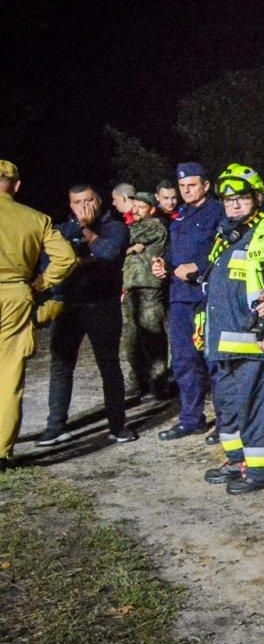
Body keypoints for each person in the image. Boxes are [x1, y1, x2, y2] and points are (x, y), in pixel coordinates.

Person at [199, 164, 264, 493]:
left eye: (241, 199)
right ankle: (239, 459)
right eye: (228, 201)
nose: (235, 206)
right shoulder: (227, 233)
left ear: (256, 198)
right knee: (228, 403)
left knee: (260, 407)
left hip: (258, 342)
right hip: (226, 341)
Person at [40, 184, 134, 445]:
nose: (84, 207)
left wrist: (85, 232)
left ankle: (118, 426)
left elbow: (110, 253)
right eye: (78, 202)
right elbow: (50, 266)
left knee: (109, 366)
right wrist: (83, 259)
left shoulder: (115, 228)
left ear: (99, 200)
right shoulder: (59, 231)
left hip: (102, 305)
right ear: (70, 205)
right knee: (60, 365)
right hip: (67, 305)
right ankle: (55, 426)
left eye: (89, 201)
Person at [0, 160, 75, 469]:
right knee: (8, 377)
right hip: (15, 296)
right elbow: (66, 258)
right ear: (16, 186)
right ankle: (1, 453)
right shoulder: (36, 219)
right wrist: (38, 284)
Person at [154, 162, 224, 440]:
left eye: (191, 185)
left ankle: (225, 423)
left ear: (206, 185)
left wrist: (200, 266)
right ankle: (191, 418)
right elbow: (175, 252)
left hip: (206, 296)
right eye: (181, 186)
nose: (185, 190)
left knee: (214, 361)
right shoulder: (180, 215)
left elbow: (225, 250)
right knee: (184, 361)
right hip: (180, 298)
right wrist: (163, 264)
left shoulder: (218, 212)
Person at [120, 191, 171, 402]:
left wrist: (128, 246)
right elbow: (119, 243)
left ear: (151, 209)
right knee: (131, 340)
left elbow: (125, 238)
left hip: (149, 289)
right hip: (131, 289)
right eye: (135, 206)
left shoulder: (155, 226)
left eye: (141, 207)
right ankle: (138, 381)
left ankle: (159, 385)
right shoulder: (133, 228)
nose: (136, 210)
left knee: (152, 339)